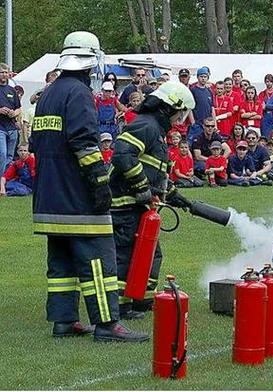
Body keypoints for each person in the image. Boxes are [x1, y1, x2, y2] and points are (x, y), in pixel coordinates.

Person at [31, 31, 147, 341]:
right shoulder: (79, 94)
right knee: (98, 260)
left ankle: (64, 320)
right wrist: (99, 184)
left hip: (49, 198)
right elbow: (84, 144)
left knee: (61, 262)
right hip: (77, 198)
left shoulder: (49, 93)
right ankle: (108, 324)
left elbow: (36, 143)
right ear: (90, 62)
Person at [110, 80, 196, 322]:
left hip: (141, 205)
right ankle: (121, 306)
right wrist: (142, 188)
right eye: (180, 113)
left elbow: (155, 171)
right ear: (170, 107)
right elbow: (123, 155)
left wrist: (175, 194)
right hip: (124, 203)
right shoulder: (145, 126)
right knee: (125, 254)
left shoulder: (157, 131)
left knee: (151, 253)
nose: (181, 119)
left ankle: (142, 298)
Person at [0, 62, 21, 174]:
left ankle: (4, 179)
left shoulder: (12, 90)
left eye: (6, 72)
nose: (4, 75)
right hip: (1, 128)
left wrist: (14, 113)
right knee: (2, 154)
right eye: (1, 72)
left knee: (9, 155)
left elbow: (19, 108)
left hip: (12, 127)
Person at [188, 67, 215, 140]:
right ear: (197, 77)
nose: (203, 78)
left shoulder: (209, 91)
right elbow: (189, 108)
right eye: (201, 76)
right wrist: (193, 122)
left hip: (208, 125)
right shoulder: (193, 90)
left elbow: (212, 108)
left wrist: (214, 123)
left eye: (205, 77)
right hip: (197, 124)